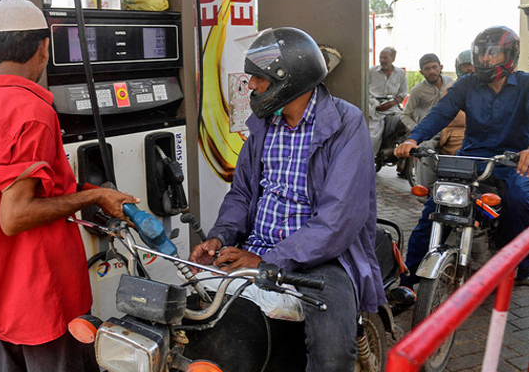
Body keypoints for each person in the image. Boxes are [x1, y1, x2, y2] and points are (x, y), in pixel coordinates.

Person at [0, 0, 138, 372]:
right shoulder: (32, 111)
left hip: (1, 298)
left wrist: (65, 188)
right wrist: (97, 194)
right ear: (42, 47)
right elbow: (15, 214)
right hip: (45, 300)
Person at [189, 27, 385, 371]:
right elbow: (242, 193)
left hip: (326, 258)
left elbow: (338, 221)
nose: (251, 85)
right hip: (257, 246)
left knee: (333, 355)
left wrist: (269, 260)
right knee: (192, 315)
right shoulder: (263, 127)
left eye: (258, 78)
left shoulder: (345, 123)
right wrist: (221, 236)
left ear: (289, 81)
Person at [395, 26, 529, 287]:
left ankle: (523, 262)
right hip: (473, 159)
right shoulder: (466, 84)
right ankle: (408, 280)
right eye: (481, 54)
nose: (485, 60)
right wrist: (414, 138)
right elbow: (441, 113)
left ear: (510, 55)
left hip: (516, 160)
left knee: (519, 198)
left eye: (493, 54)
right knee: (435, 209)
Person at [400, 53, 454, 188]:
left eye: (434, 67)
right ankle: (426, 189)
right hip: (429, 132)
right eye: (427, 69)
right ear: (421, 72)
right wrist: (418, 130)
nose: (432, 72)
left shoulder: (451, 83)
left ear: (440, 67)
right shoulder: (417, 91)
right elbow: (405, 115)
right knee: (426, 149)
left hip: (450, 129)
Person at [368, 47, 408, 156]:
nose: (382, 60)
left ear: (393, 58)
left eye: (385, 57)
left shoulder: (400, 73)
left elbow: (403, 93)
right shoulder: (371, 71)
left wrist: (391, 103)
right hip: (374, 106)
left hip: (393, 107)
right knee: (372, 135)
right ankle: (370, 158)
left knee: (405, 123)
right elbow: (364, 89)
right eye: (381, 57)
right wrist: (376, 105)